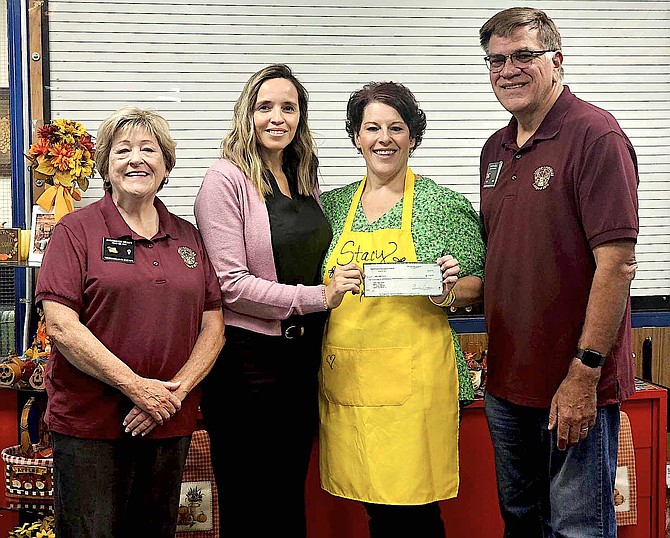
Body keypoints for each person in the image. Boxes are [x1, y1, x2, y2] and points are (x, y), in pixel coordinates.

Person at [478, 7, 639, 537]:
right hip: (507, 384)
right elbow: (513, 256)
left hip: (572, 380)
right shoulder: (494, 150)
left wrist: (585, 371)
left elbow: (616, 265)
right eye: (496, 60)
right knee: (522, 522)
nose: (508, 70)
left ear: (557, 60)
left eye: (524, 55)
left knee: (579, 529)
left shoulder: (596, 137)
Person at [34, 106, 225, 537]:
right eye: (122, 151)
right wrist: (137, 388)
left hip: (167, 423)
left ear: (166, 166)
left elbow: (213, 325)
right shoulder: (76, 231)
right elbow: (62, 326)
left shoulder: (188, 235)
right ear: (105, 165)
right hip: (92, 427)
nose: (136, 159)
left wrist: (170, 396)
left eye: (148, 149)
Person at [193, 64, 356, 538]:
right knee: (250, 501)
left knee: (287, 495)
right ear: (248, 113)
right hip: (249, 363)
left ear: (301, 118)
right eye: (265, 106)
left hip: (301, 359)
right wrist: (317, 297)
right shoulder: (225, 179)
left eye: (289, 107)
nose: (277, 117)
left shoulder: (302, 179)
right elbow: (231, 284)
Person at [318, 81, 486, 538]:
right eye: (372, 127)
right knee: (376, 511)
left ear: (413, 135)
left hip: (416, 387)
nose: (384, 138)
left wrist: (450, 288)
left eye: (396, 127)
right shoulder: (330, 207)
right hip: (351, 377)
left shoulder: (441, 205)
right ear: (356, 136)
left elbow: (481, 285)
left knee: (414, 513)